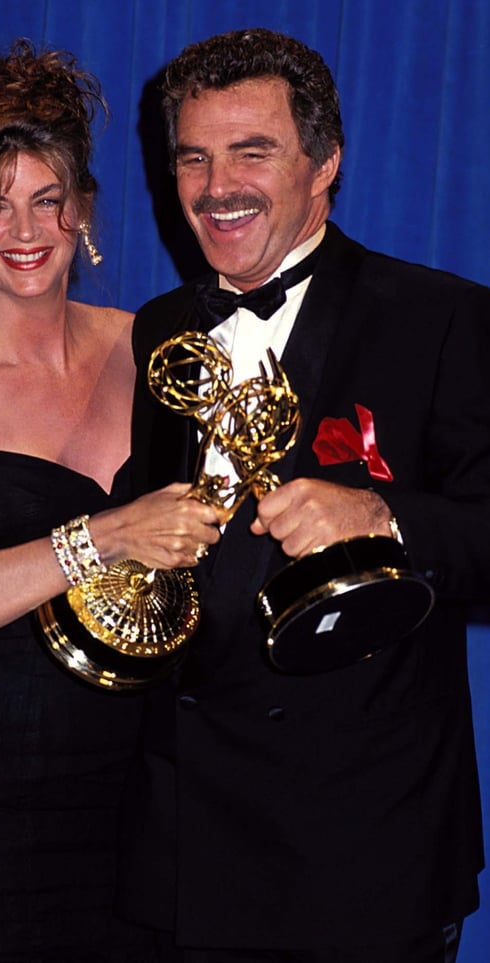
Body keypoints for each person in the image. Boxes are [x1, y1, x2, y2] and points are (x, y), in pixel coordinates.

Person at [117, 27, 490, 963]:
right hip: (183, 843)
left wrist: (387, 516)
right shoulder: (161, 326)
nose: (216, 186)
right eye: (193, 157)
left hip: (359, 850)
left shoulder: (441, 317)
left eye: (254, 151)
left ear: (325, 163)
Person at [0, 39, 220, 963]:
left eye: (45, 199)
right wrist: (103, 535)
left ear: (84, 211)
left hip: (140, 790)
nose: (23, 230)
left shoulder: (158, 345)